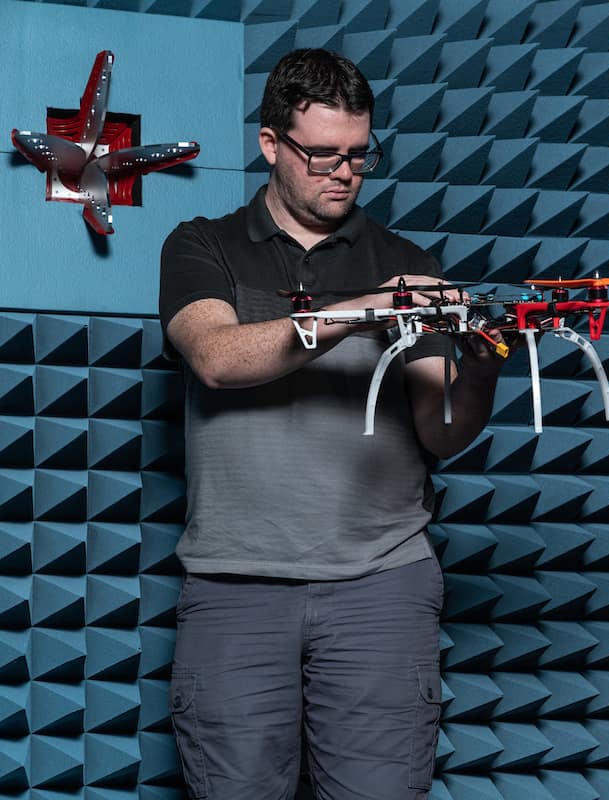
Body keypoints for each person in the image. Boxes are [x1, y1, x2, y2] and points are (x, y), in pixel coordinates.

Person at [158, 49, 507, 800]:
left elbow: (442, 432)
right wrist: (364, 311)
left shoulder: (404, 259)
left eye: (359, 155)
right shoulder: (203, 246)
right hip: (235, 584)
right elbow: (216, 357)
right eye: (321, 155)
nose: (342, 173)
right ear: (270, 144)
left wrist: (480, 369)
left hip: (382, 585)